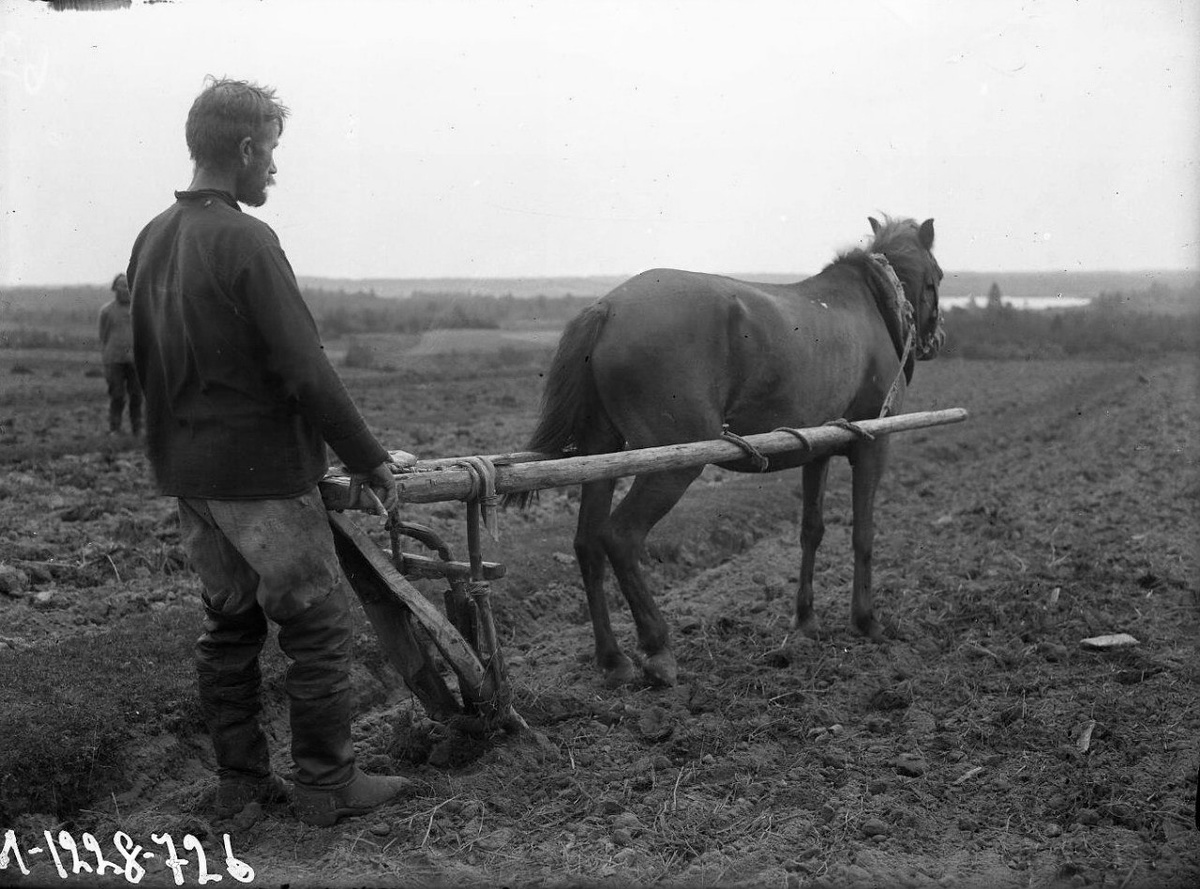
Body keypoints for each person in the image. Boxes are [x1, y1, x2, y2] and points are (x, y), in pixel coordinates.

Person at [126, 76, 408, 828]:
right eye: (273, 151)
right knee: (315, 624)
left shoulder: (152, 237)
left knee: (229, 626)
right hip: (261, 477)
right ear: (247, 148)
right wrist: (370, 458)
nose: (275, 168)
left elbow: (146, 361)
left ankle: (242, 786)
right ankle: (327, 783)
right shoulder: (248, 240)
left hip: (190, 476)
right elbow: (305, 368)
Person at [98, 272, 142, 435]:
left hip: (135, 360)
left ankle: (137, 429)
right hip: (114, 360)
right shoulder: (106, 311)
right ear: (114, 288)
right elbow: (103, 336)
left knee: (136, 396)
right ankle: (115, 429)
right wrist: (106, 357)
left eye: (127, 285)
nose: (124, 289)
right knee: (117, 395)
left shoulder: (139, 309)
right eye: (121, 285)